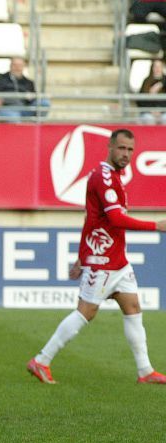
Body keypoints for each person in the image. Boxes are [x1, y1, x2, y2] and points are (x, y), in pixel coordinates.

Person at [27, 129, 166, 386]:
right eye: (121, 148)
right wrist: (155, 226)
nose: (126, 154)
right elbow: (115, 219)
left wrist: (81, 256)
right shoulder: (104, 178)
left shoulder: (112, 177)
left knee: (133, 308)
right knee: (85, 313)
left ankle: (145, 371)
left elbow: (91, 219)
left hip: (117, 261)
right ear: (110, 148)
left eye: (130, 150)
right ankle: (41, 360)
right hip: (103, 262)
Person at [136, 58, 166, 123]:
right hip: (148, 112)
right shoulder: (146, 81)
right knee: (149, 118)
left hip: (164, 112)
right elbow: (140, 100)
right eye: (155, 66)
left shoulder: (164, 81)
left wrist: (160, 84)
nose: (157, 69)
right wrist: (150, 110)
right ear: (152, 68)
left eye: (159, 66)